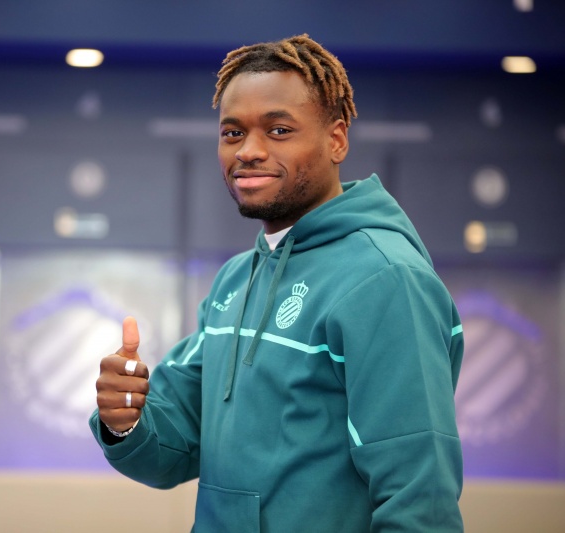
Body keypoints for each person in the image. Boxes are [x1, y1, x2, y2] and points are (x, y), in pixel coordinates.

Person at [90, 34, 464, 532]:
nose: (249, 151)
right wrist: (125, 418)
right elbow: (177, 443)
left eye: (279, 130)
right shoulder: (236, 279)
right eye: (232, 133)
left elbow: (420, 497)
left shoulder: (385, 279)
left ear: (336, 140)